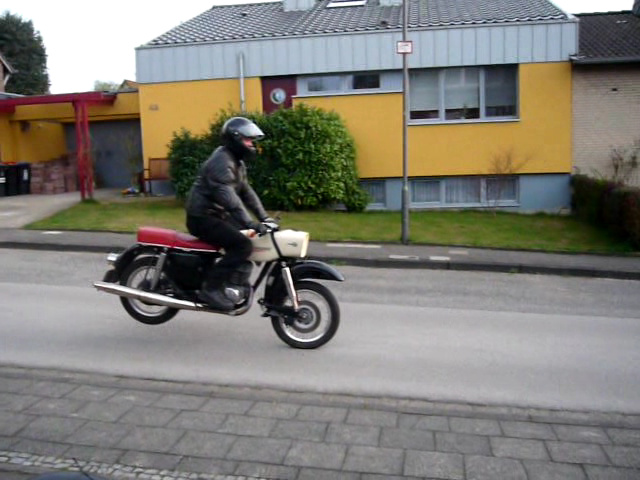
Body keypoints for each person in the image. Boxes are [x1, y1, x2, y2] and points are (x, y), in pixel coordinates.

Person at [185, 116, 274, 311]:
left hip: (216, 214)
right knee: (242, 245)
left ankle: (234, 279)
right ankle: (211, 288)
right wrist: (250, 223)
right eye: (248, 140)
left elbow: (246, 192)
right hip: (202, 217)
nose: (251, 144)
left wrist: (265, 218)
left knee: (248, 237)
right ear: (235, 139)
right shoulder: (222, 162)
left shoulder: (236, 162)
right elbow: (231, 200)